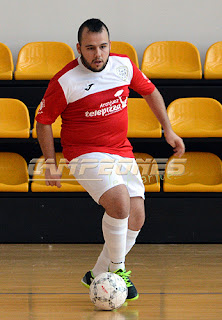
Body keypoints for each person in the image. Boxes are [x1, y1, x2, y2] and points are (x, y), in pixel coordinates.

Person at [36, 18, 185, 301]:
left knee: (137, 217)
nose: (98, 54)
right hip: (84, 152)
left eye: (103, 46)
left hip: (121, 150)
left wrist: (168, 129)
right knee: (119, 203)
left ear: (109, 45)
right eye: (90, 48)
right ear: (79, 48)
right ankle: (118, 272)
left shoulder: (123, 65)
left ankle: (97, 272)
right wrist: (51, 163)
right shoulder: (65, 80)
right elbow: (43, 121)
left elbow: (150, 91)